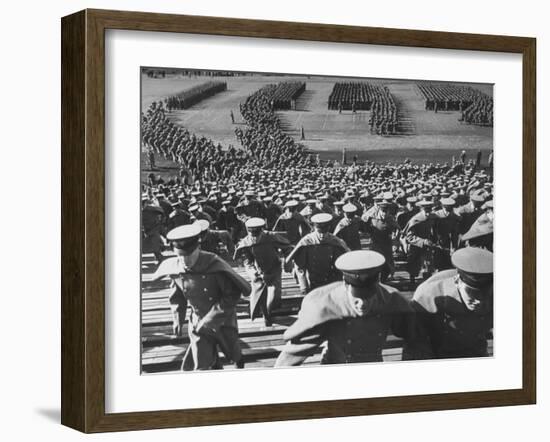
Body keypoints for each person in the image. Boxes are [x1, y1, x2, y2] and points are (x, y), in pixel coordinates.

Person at [274, 250, 416, 366]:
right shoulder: (325, 306)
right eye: (357, 298)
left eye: (368, 297)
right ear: (345, 285)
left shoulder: (392, 300)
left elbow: (414, 336)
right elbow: (292, 355)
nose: (362, 304)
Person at [152, 224, 251, 370]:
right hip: (198, 322)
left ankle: (239, 364)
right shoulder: (176, 268)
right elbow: (178, 296)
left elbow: (232, 295)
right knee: (201, 363)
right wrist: (178, 319)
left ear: (198, 248)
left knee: (233, 352)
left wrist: (211, 320)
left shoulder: (214, 265)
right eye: (181, 256)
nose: (185, 261)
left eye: (189, 255)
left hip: (223, 320)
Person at [404, 247, 493, 359]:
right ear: (457, 281)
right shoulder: (429, 297)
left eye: (486, 293)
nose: (479, 300)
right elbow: (415, 346)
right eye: (471, 292)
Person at [234, 218, 293, 326]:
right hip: (259, 272)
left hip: (274, 269)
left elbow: (287, 247)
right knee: (260, 296)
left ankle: (270, 310)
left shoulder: (271, 237)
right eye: (252, 235)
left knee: (274, 294)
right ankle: (266, 316)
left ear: (261, 230)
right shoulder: (246, 243)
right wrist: (252, 272)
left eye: (257, 234)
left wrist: (287, 262)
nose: (255, 238)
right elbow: (247, 261)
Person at [285, 213, 350, 294]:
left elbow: (341, 264)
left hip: (330, 282)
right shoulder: (307, 242)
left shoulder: (335, 242)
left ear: (328, 228)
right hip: (312, 282)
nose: (322, 236)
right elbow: (300, 267)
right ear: (315, 228)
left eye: (324, 232)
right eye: (319, 232)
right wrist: (304, 286)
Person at [362, 200, 399, 281]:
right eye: (383, 211)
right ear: (379, 210)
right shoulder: (372, 217)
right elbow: (364, 224)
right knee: (376, 262)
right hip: (376, 243)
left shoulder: (390, 218)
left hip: (386, 243)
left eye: (386, 211)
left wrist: (394, 236)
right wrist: (369, 232)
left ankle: (384, 279)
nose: (384, 213)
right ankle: (375, 279)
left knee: (388, 264)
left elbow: (397, 228)